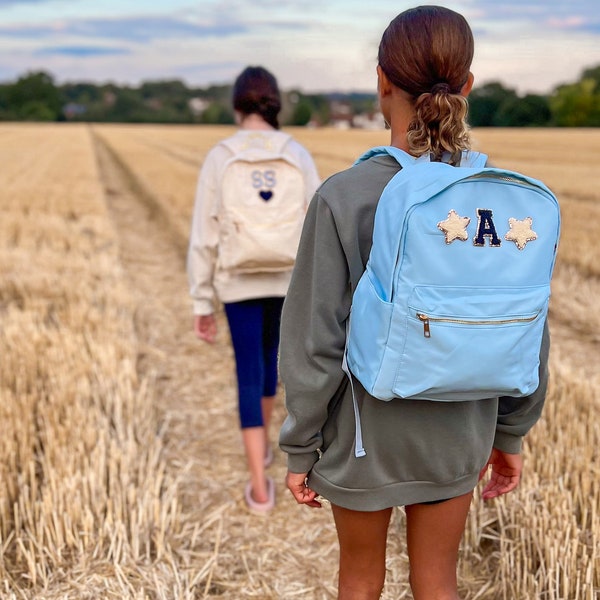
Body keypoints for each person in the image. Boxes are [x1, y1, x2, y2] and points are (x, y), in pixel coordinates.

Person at [278, 6, 549, 600]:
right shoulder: (503, 206)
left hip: (363, 433)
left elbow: (312, 339)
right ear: (468, 86)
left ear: (381, 82)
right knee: (437, 582)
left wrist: (300, 445)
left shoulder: (343, 197)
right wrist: (510, 435)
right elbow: (527, 329)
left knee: (359, 583)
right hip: (459, 431)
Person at [187, 66, 320, 514]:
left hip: (238, 279)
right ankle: (265, 450)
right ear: (274, 103)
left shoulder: (221, 156)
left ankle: (259, 487)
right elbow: (317, 226)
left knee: (247, 370)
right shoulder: (296, 153)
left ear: (236, 105)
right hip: (287, 278)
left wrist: (202, 300)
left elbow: (204, 234)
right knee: (271, 367)